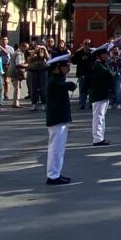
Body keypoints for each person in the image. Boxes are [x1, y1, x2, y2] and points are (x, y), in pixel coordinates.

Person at [45, 52, 76, 185]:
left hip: (60, 117)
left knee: (59, 148)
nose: (68, 68)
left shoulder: (58, 79)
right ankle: (52, 175)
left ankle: (55, 173)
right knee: (56, 148)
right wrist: (70, 85)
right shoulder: (54, 80)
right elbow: (62, 86)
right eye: (65, 65)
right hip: (57, 118)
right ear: (58, 66)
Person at [87, 43, 115, 146]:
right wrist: (114, 72)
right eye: (105, 54)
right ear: (100, 55)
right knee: (98, 116)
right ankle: (97, 138)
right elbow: (109, 74)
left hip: (103, 93)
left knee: (101, 116)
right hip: (99, 94)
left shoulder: (102, 64)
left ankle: (100, 137)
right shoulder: (98, 65)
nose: (107, 56)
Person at [26, 42, 50, 112]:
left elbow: (48, 58)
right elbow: (29, 60)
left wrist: (45, 49)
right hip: (33, 71)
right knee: (33, 88)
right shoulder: (30, 51)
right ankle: (34, 103)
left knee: (43, 88)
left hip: (43, 71)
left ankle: (44, 103)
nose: (38, 48)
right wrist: (35, 52)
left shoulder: (43, 52)